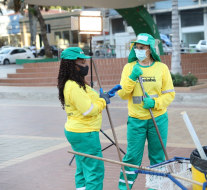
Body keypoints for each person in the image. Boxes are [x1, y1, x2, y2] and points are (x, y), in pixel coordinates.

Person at [57, 47, 122, 190]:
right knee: (95, 171)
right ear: (71, 65)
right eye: (81, 62)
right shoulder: (73, 86)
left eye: (85, 61)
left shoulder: (77, 82)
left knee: (82, 168)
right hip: (84, 134)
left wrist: (105, 95)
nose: (85, 65)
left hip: (78, 132)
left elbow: (89, 99)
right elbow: (88, 109)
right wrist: (103, 101)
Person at [117, 33, 175, 189]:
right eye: (136, 47)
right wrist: (132, 77)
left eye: (141, 47)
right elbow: (123, 95)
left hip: (158, 118)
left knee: (157, 157)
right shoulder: (129, 68)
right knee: (132, 157)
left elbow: (170, 94)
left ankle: (154, 187)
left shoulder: (161, 68)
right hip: (136, 120)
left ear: (150, 49)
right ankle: (124, 187)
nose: (138, 50)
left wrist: (155, 102)